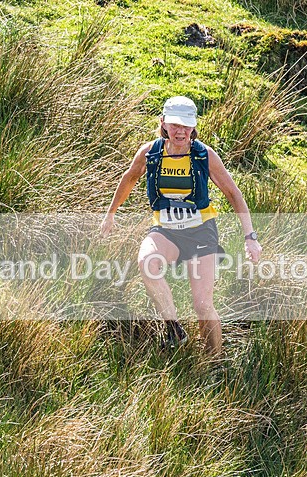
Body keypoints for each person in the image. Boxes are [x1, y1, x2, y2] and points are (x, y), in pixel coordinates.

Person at [100, 95, 262, 355]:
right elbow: (129, 178)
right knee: (147, 263)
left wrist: (250, 236)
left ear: (194, 126)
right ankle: (174, 329)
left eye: (186, 125)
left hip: (201, 232)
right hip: (165, 231)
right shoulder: (150, 153)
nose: (180, 131)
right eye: (175, 124)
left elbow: (233, 193)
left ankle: (213, 360)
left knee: (202, 305)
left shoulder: (204, 155)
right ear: (163, 123)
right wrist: (111, 213)